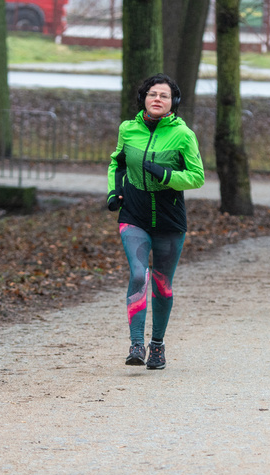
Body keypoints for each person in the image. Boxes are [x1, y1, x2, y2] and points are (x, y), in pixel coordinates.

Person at [106, 73, 204, 370]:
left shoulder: (183, 135)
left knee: (162, 285)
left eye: (163, 95)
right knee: (139, 274)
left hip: (169, 217)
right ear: (143, 99)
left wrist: (165, 175)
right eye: (152, 94)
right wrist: (114, 190)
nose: (157, 99)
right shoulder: (128, 129)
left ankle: (157, 346)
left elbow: (197, 176)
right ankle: (136, 343)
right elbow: (117, 163)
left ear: (173, 102)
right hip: (134, 214)